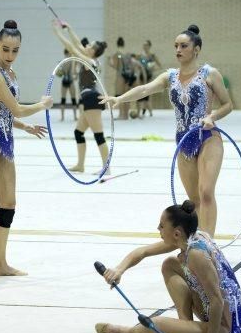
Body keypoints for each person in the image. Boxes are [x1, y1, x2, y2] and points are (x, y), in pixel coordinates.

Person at [100, 25, 233, 235]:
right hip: (183, 141)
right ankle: (199, 242)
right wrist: (119, 98)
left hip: (207, 137)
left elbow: (227, 104)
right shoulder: (170, 76)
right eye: (176, 46)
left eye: (183, 46)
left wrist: (212, 116)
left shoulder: (210, 73)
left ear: (196, 49)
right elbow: (144, 89)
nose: (178, 50)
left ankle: (210, 244)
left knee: (206, 192)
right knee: (194, 200)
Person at [95, 200, 241, 333]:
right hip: (211, 312)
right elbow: (143, 251)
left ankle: (126, 331)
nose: (158, 228)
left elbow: (217, 300)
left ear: (176, 233)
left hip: (224, 330)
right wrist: (119, 269)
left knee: (156, 324)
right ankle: (184, 327)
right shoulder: (190, 237)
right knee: (170, 264)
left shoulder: (197, 254)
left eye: (162, 226)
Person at [0, 20, 52, 286]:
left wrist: (24, 125)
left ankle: (0, 263)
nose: (9, 55)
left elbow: (6, 111)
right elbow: (14, 107)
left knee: (8, 203)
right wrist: (42, 104)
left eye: (15, 50)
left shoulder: (11, 74)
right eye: (5, 49)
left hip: (5, 137)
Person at [51, 20, 110, 175]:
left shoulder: (89, 61)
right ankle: (80, 165)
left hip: (92, 99)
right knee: (79, 132)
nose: (86, 46)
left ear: (93, 52)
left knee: (98, 135)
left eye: (89, 46)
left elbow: (72, 47)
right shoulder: (90, 58)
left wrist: (57, 33)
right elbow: (77, 44)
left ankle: (107, 167)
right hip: (88, 99)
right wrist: (69, 28)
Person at [137, 39, 161, 117]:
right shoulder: (140, 55)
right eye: (144, 45)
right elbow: (137, 66)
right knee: (141, 92)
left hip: (149, 76)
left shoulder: (152, 56)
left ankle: (149, 111)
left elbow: (159, 66)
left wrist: (153, 69)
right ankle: (141, 111)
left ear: (149, 46)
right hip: (142, 76)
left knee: (148, 93)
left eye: (146, 45)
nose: (145, 46)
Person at [55, 49, 78, 121]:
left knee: (71, 99)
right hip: (67, 80)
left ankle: (72, 116)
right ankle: (63, 117)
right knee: (64, 99)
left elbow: (59, 73)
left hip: (68, 80)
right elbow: (59, 73)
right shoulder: (67, 61)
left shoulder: (68, 62)